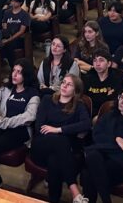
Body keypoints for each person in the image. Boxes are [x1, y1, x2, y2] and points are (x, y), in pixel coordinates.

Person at [0, 59, 41, 186]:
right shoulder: (7, 89)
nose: (14, 75)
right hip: (2, 125)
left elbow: (30, 116)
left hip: (20, 131)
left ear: (26, 75)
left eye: (19, 72)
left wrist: (5, 122)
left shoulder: (33, 94)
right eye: (14, 71)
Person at [30, 74, 91, 203]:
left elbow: (87, 124)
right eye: (63, 82)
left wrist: (58, 129)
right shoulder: (47, 100)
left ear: (76, 91)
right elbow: (39, 127)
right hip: (41, 146)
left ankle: (54, 199)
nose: (64, 85)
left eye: (69, 84)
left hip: (63, 153)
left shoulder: (79, 106)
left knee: (54, 161)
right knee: (61, 141)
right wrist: (62, 133)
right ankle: (74, 190)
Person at [80, 89, 123, 203]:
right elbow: (96, 135)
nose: (121, 101)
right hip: (102, 157)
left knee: (89, 169)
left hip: (122, 164)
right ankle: (106, 200)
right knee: (92, 160)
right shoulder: (109, 115)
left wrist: (106, 143)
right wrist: (117, 139)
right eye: (121, 97)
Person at [82, 48, 123, 117]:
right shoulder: (87, 77)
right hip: (90, 113)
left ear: (109, 63)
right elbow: (85, 100)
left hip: (111, 113)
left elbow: (116, 100)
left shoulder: (118, 76)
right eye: (95, 61)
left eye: (101, 60)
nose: (97, 64)